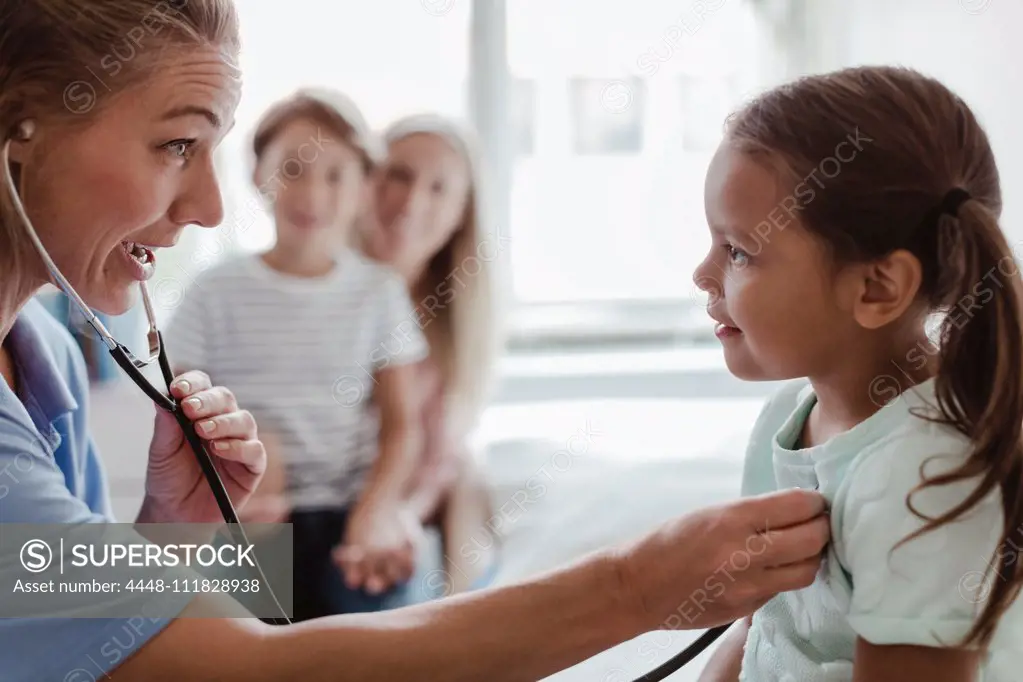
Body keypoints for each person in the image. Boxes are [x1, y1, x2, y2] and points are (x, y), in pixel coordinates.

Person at [0, 2, 829, 680]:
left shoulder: (41, 360)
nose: (213, 205)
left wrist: (170, 528)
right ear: (16, 126)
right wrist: (635, 586)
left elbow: (48, 622)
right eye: (177, 144)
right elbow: (237, 671)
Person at [693, 66, 1023, 682]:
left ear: (877, 287)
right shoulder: (788, 416)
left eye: (737, 250)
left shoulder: (925, 481)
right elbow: (767, 624)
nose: (702, 274)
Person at [164, 88, 432, 618]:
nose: (312, 193)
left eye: (335, 175)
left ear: (363, 188)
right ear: (257, 174)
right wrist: (236, 473)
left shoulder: (378, 294)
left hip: (346, 515)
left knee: (363, 622)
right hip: (246, 511)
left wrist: (375, 511)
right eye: (292, 169)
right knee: (231, 634)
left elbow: (403, 426)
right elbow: (179, 405)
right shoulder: (213, 291)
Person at [358, 113, 501, 594]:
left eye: (439, 188)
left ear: (462, 212)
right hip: (315, 506)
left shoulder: (451, 324)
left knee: (467, 475)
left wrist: (397, 517)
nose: (412, 200)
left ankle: (461, 630)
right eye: (398, 175)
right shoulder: (312, 292)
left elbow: (438, 458)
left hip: (399, 520)